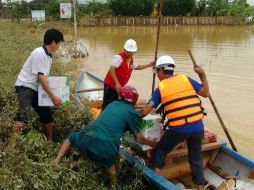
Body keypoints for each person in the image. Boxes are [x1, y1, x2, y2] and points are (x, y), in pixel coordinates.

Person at [53, 86, 157, 184]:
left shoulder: (112, 104)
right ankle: (114, 185)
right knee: (111, 164)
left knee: (72, 137)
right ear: (134, 100)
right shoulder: (131, 112)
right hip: (106, 144)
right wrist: (151, 143)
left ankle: (56, 160)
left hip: (89, 134)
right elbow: (138, 138)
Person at [140, 55, 209, 190]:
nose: (157, 75)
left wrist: (135, 115)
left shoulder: (161, 87)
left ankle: (154, 181)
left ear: (161, 71)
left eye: (157, 71)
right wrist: (203, 75)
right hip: (198, 128)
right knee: (196, 157)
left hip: (179, 130)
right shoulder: (185, 79)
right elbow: (206, 93)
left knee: (160, 149)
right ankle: (199, 186)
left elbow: (146, 110)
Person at [13, 28, 64, 142]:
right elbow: (40, 77)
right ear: (53, 42)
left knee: (47, 115)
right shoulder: (39, 52)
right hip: (25, 86)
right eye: (59, 43)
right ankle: (13, 143)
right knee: (24, 113)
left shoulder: (49, 56)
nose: (59, 46)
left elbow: (44, 78)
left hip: (36, 88)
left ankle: (49, 141)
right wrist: (53, 97)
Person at [102, 39, 154, 110]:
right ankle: (102, 116)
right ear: (124, 49)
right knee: (107, 105)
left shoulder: (131, 60)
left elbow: (137, 67)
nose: (130, 53)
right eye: (128, 52)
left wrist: (149, 65)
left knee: (116, 103)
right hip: (111, 86)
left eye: (131, 52)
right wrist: (117, 83)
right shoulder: (119, 58)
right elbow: (111, 70)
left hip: (119, 87)